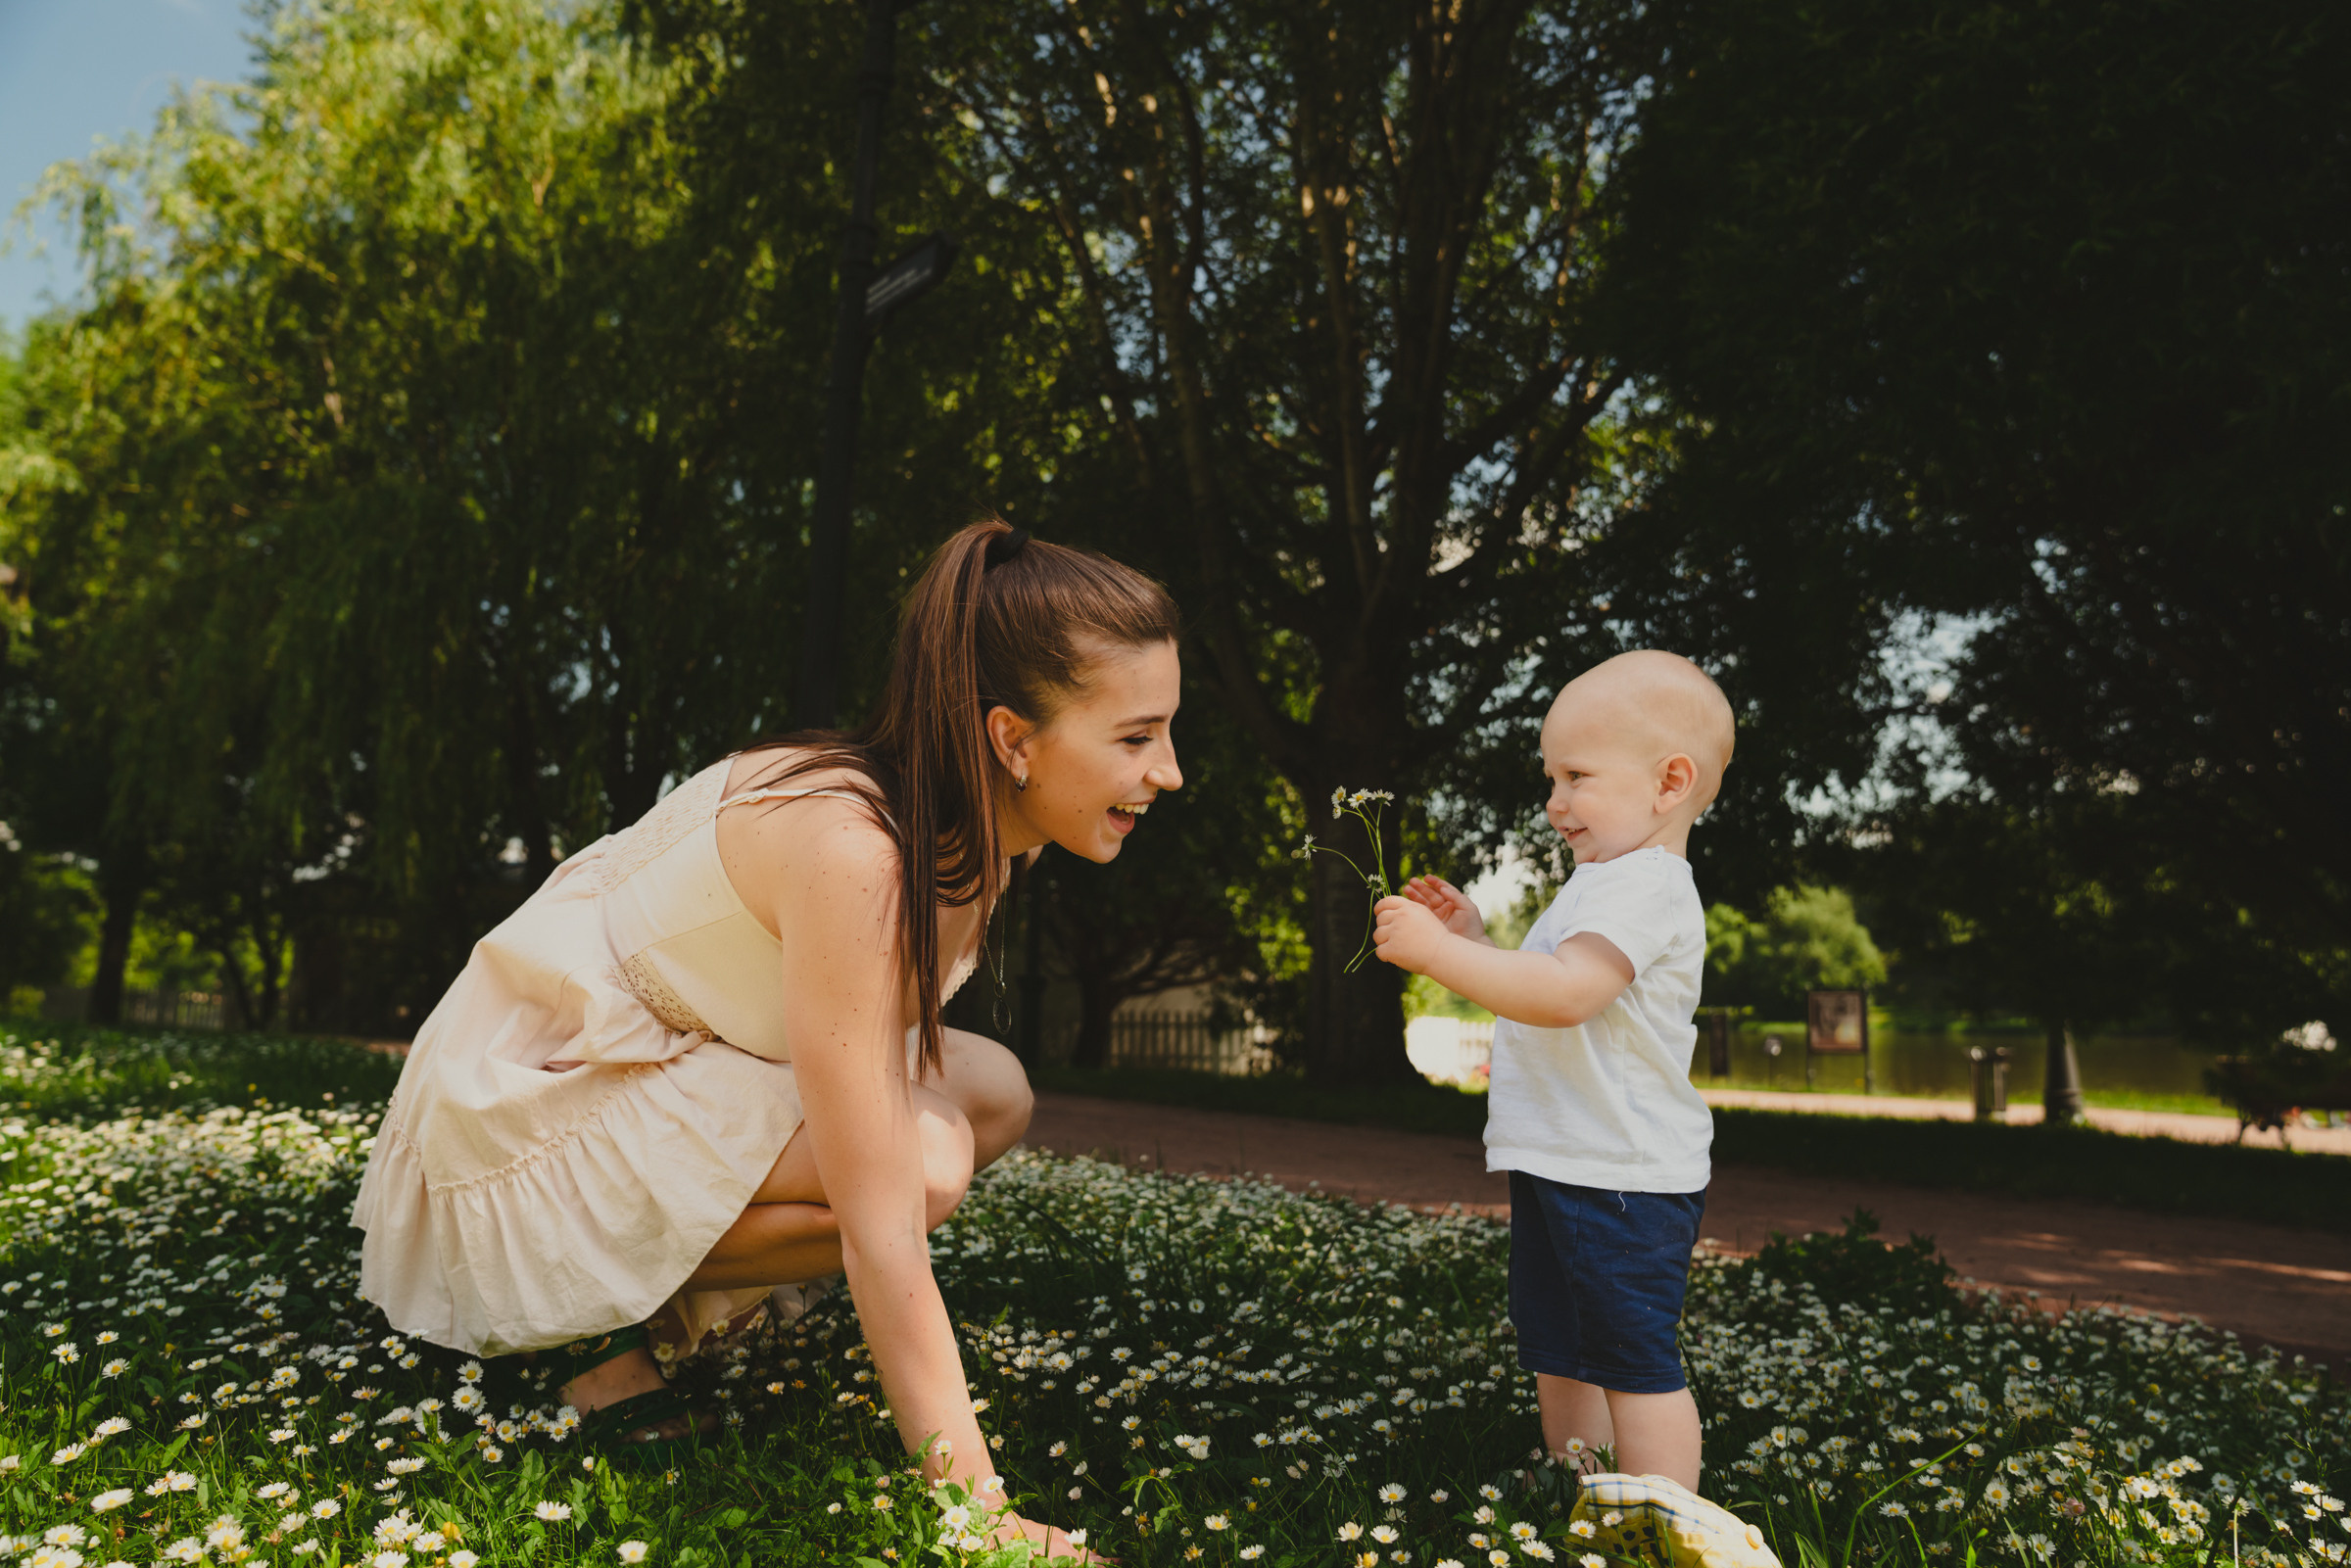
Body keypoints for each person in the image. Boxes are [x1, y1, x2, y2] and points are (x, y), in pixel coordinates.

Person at [352, 519, 1182, 1558]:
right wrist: (983, 1519)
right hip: (524, 1110)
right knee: (919, 1165)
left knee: (993, 1090)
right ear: (1013, 739)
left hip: (666, 1053)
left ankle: (657, 1304)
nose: (1171, 771)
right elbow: (881, 1220)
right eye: (1138, 737)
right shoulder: (860, 854)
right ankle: (583, 1335)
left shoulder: (969, 827)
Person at [1368, 649, 1734, 1492]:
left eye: (1575, 775)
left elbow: (1568, 995)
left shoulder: (1647, 885)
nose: (1553, 801)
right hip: (1571, 1161)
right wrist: (1476, 943)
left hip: (1622, 1177)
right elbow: (1545, 993)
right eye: (1551, 776)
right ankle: (1579, 1482)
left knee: (1633, 1361)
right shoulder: (1602, 882)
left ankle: (1663, 1516)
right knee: (1563, 1349)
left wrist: (1436, 959)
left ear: (1668, 781)